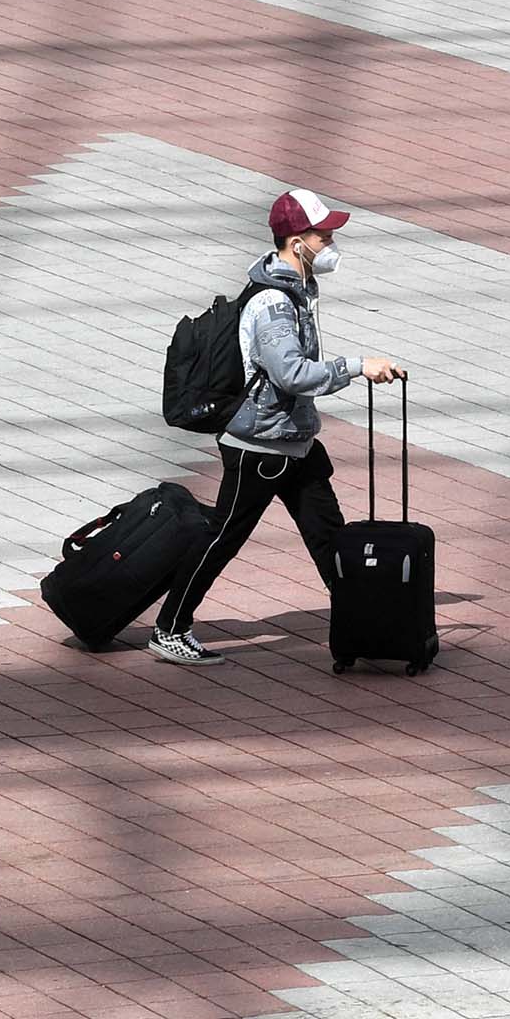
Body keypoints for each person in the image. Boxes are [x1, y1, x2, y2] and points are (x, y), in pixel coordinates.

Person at [148, 189, 405, 666]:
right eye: (322, 234)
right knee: (223, 537)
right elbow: (291, 373)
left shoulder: (296, 290)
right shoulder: (273, 302)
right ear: (295, 239)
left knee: (329, 537)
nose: (330, 242)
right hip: (258, 446)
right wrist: (356, 366)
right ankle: (169, 628)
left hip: (293, 442)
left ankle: (366, 626)